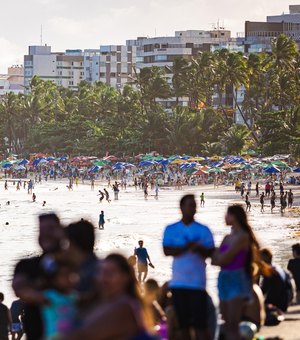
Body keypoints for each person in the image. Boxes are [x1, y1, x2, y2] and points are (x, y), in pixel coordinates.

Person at [163, 194, 215, 340]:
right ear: (181, 207)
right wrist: (187, 247)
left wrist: (198, 248)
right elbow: (167, 250)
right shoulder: (171, 229)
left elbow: (211, 252)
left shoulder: (203, 230)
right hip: (178, 282)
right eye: (190, 205)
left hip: (198, 283)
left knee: (200, 325)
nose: (193, 208)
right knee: (183, 326)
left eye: (194, 205)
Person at [67, 254, 155, 340]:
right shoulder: (96, 302)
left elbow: (85, 335)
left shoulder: (124, 307)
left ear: (125, 277)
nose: (103, 278)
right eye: (100, 272)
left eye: (110, 273)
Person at [212, 205, 261, 340]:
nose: (225, 217)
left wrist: (218, 256)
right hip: (223, 279)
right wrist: (219, 257)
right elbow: (214, 261)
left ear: (235, 216)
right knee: (227, 323)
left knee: (234, 324)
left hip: (237, 278)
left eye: (227, 214)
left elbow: (222, 258)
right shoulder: (227, 237)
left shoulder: (243, 237)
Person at [12, 214, 64, 340]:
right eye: (42, 230)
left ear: (61, 231)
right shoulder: (26, 266)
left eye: (51, 229)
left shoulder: (72, 263)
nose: (46, 234)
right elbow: (19, 288)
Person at [260, 248, 292, 313]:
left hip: (278, 305)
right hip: (285, 302)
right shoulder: (277, 267)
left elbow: (263, 291)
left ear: (265, 258)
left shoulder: (269, 271)